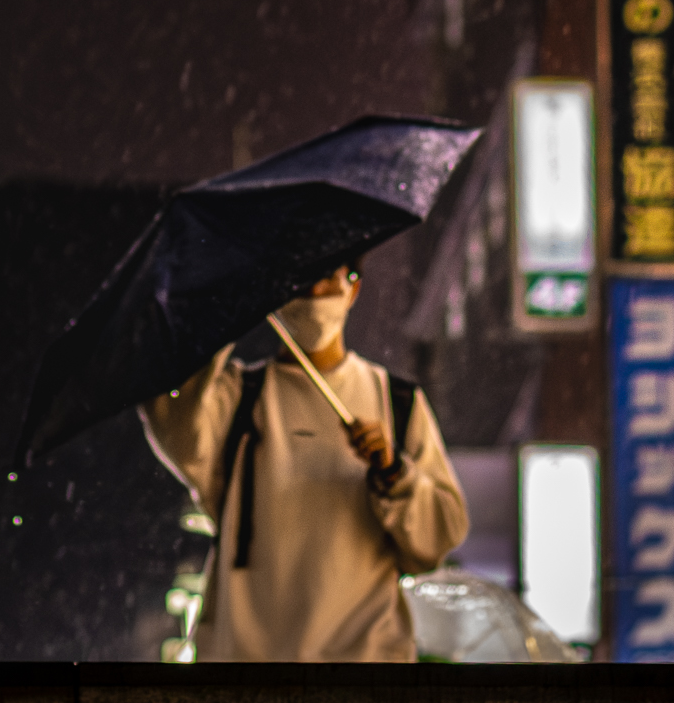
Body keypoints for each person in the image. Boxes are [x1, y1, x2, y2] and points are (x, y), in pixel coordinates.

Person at [140, 264, 468, 662]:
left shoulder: (396, 403)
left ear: (354, 289)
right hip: (252, 668)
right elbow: (172, 421)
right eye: (302, 277)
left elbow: (441, 535)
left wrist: (393, 471)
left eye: (329, 276)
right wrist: (224, 320)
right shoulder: (237, 398)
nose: (315, 291)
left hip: (363, 668)